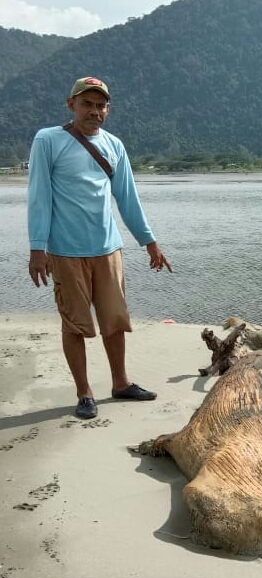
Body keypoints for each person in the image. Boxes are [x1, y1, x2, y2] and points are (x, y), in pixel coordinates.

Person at [27, 76, 172, 420]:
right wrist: (37, 248)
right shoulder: (48, 140)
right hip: (65, 252)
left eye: (100, 105)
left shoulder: (114, 145)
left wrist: (149, 242)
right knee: (74, 324)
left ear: (108, 109)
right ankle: (84, 392)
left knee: (115, 320)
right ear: (71, 104)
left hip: (108, 249)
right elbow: (39, 197)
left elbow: (127, 199)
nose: (94, 111)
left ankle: (120, 382)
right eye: (87, 104)